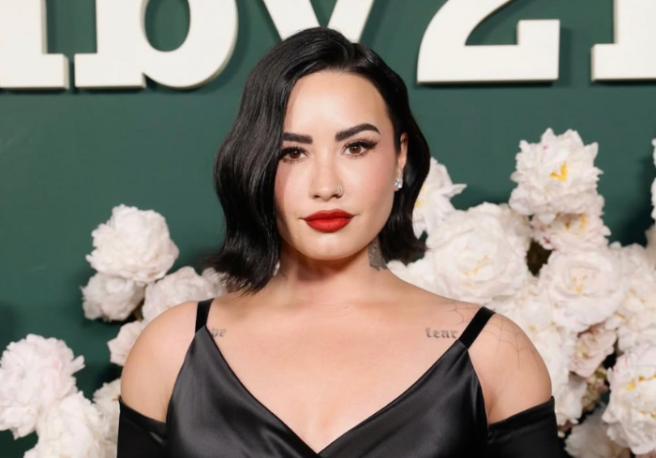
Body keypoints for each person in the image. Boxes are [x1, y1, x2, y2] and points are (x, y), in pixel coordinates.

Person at [116, 26, 559, 457]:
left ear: (400, 155)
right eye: (292, 152)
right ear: (255, 165)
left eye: (356, 147)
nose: (326, 186)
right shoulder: (172, 349)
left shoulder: (491, 353)